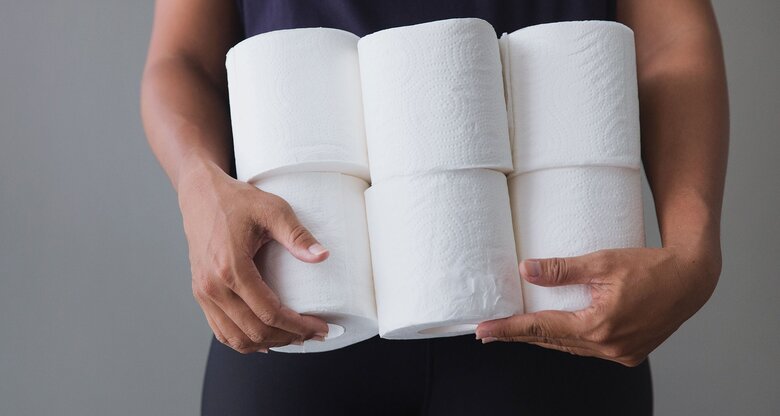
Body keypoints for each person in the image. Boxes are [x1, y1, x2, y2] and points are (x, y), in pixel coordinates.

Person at [141, 1, 728, 414]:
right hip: (291, 302)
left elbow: (672, 43)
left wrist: (693, 251)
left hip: (566, 307)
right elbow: (181, 57)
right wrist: (199, 186)